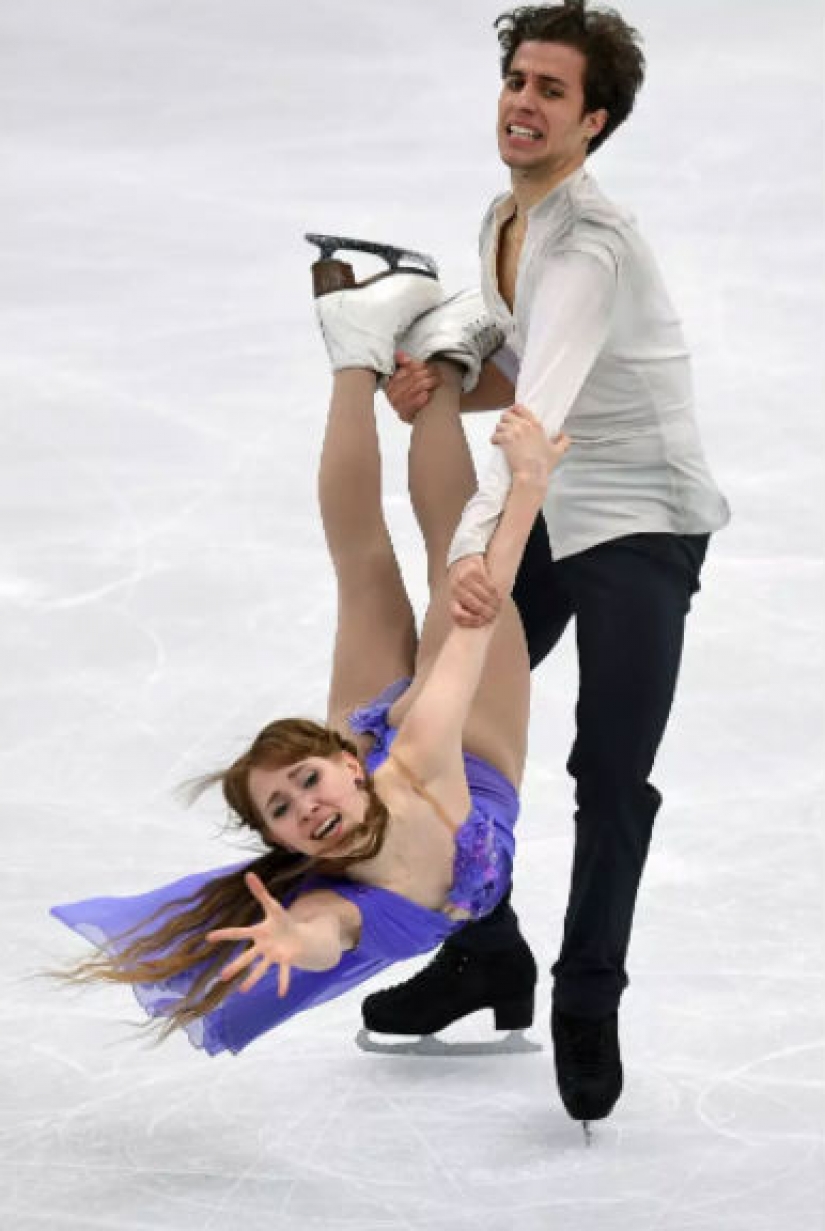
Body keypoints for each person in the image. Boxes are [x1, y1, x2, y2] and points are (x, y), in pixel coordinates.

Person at [51, 244, 568, 1057]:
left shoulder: (419, 752)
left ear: (342, 760)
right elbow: (327, 930)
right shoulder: (331, 894)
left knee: (410, 559)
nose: (305, 809)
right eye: (284, 813)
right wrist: (298, 942)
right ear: (284, 847)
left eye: (301, 782)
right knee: (411, 564)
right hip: (446, 772)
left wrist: (529, 489)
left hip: (456, 759)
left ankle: (371, 354)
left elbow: (477, 606)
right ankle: (414, 350)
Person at [361, 0, 731, 1128]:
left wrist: (477, 557)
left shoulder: (592, 246)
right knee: (458, 724)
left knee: (607, 772)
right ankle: (488, 952)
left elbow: (545, 417)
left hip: (638, 516)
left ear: (595, 121)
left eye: (551, 91)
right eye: (518, 80)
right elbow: (508, 354)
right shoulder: (506, 217)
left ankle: (586, 994)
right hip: (553, 493)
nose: (524, 103)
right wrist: (442, 368)